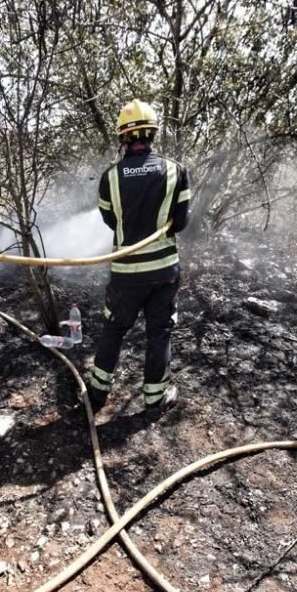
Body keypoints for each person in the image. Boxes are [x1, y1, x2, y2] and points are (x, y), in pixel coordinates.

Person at [87, 99, 191, 412]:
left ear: (123, 137)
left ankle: (95, 397)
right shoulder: (176, 172)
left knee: (114, 329)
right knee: (159, 332)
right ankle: (155, 397)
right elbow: (182, 222)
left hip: (125, 273)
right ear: (152, 133)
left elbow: (110, 221)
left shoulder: (110, 177)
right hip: (163, 273)